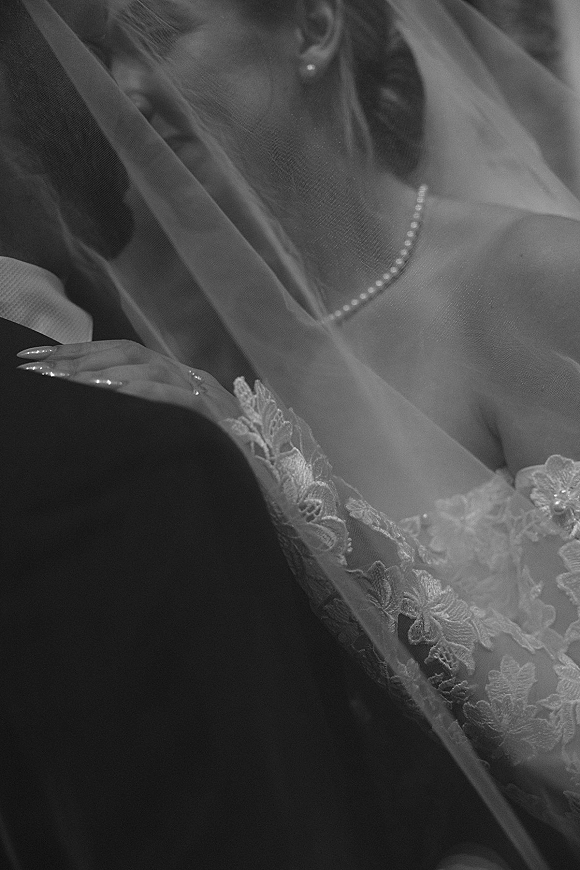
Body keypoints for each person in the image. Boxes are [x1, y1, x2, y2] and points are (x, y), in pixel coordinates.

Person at [16, 0, 580, 866]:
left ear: (312, 29)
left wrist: (281, 481)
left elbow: (570, 732)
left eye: (159, 38)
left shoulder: (531, 280)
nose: (122, 87)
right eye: (101, 53)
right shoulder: (208, 357)